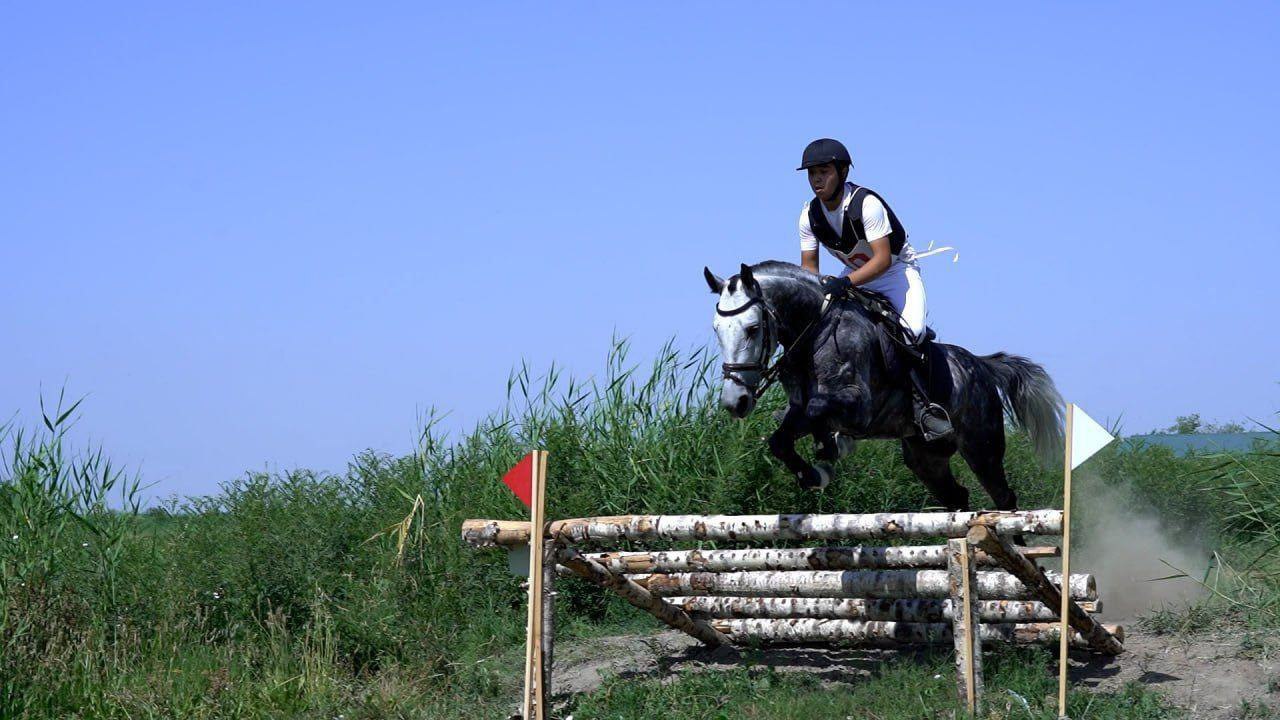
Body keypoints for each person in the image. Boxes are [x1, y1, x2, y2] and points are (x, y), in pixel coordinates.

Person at [796, 138, 954, 442]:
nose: (816, 179)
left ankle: (925, 407)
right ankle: (809, 399)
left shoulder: (866, 205)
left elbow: (881, 259)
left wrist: (845, 283)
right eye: (812, 173)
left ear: (842, 172)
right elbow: (809, 269)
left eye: (824, 171)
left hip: (895, 271)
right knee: (819, 327)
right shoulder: (808, 215)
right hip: (854, 274)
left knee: (912, 331)